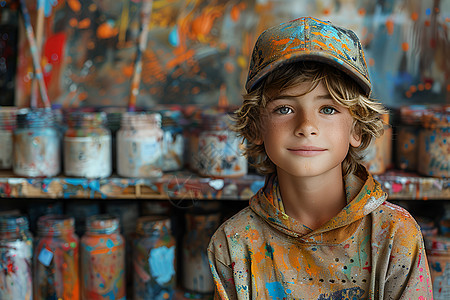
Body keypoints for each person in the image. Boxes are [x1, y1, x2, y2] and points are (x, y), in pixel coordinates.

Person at [207, 17, 433, 299]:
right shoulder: (234, 244)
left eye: (328, 109)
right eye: (285, 109)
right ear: (255, 127)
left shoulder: (395, 236)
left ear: (357, 129)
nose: (306, 126)